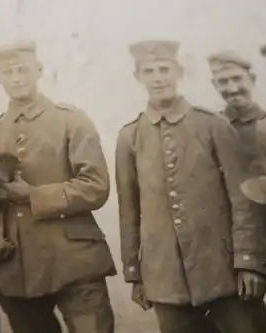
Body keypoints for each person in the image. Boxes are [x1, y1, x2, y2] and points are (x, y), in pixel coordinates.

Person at [0, 40, 117, 333]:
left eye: (22, 69)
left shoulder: (71, 121)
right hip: (15, 268)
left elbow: (96, 186)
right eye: (7, 72)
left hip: (74, 262)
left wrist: (34, 195)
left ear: (39, 71)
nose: (16, 78)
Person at [115, 40, 265, 333]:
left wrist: (248, 261)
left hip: (222, 273)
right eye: (149, 71)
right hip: (166, 278)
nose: (158, 78)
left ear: (179, 72)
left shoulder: (213, 126)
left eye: (164, 69)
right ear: (138, 77)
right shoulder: (129, 137)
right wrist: (135, 273)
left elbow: (241, 200)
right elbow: (129, 212)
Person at [208, 51, 266, 332]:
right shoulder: (210, 128)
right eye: (223, 82)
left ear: (252, 79)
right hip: (237, 247)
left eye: (237, 79)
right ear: (214, 86)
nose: (231, 88)